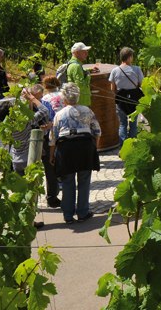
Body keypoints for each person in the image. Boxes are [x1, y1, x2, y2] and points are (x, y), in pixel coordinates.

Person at [50, 83, 101, 224]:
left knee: (67, 182)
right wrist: (94, 149)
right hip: (85, 148)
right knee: (84, 181)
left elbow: (53, 138)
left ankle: (68, 215)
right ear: (78, 97)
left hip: (66, 149)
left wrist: (52, 156)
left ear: (64, 98)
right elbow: (97, 131)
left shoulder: (59, 115)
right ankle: (83, 212)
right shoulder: (87, 110)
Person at [108, 47, 144, 142]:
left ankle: (123, 147)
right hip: (134, 100)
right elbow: (141, 85)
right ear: (129, 57)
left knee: (122, 124)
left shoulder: (115, 71)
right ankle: (132, 146)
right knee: (133, 124)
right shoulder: (137, 69)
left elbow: (112, 89)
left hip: (121, 101)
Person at [38, 76, 64, 207]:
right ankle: (67, 193)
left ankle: (52, 196)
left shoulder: (43, 100)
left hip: (49, 135)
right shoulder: (64, 96)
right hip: (64, 133)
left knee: (50, 166)